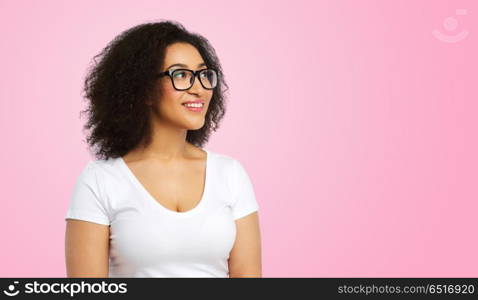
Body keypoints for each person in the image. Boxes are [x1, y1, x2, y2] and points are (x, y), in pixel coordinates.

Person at [64, 20, 262, 278]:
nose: (198, 88)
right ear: (143, 90)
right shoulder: (100, 181)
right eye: (180, 75)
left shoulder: (230, 174)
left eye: (204, 74)